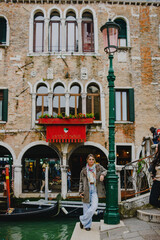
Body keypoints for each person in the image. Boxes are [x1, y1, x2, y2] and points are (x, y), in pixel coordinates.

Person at [79, 154, 107, 231]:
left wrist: (102, 174)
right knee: (86, 208)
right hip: (86, 190)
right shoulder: (83, 170)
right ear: (87, 160)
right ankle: (87, 225)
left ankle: (82, 219)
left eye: (92, 159)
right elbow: (81, 182)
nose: (91, 161)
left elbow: (105, 170)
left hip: (94, 189)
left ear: (94, 160)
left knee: (94, 207)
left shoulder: (98, 167)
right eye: (90, 159)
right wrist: (80, 192)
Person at [149, 142, 160, 208]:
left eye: (157, 147)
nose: (155, 148)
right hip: (157, 182)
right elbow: (151, 169)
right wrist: (153, 176)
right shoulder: (157, 159)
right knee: (152, 201)